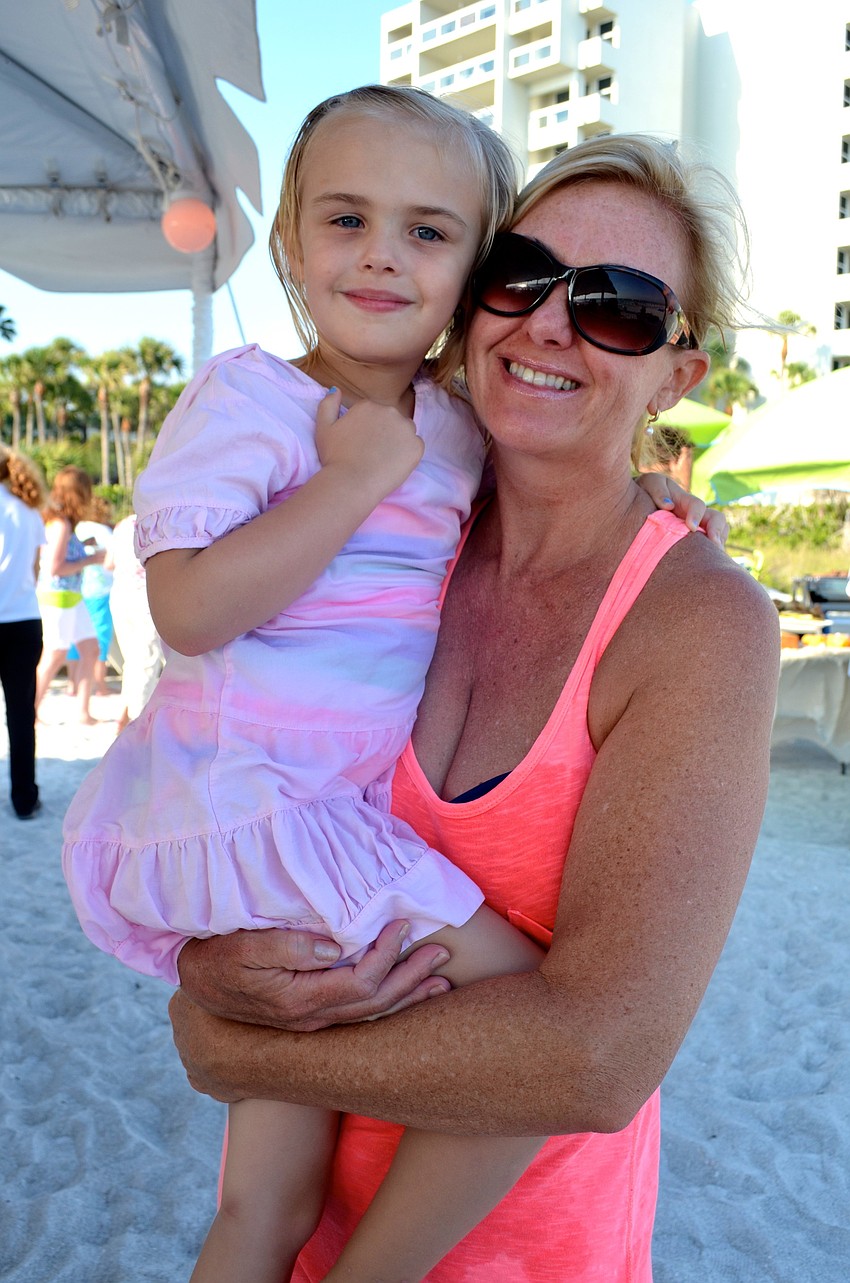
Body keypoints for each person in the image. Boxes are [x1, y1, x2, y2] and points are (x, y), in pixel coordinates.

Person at [63, 91, 725, 1283]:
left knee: (269, 1192)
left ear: (679, 371)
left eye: (619, 309)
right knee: (255, 1211)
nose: (551, 324)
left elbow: (589, 1058)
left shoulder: (680, 605)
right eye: (524, 274)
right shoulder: (377, 459)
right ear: (482, 300)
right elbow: (200, 608)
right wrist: (219, 986)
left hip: (525, 1248)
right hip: (275, 848)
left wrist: (239, 1044)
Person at [35, 466, 105, 725]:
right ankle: (31, 711)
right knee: (54, 655)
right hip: (58, 597)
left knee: (90, 649)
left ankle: (83, 712)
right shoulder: (61, 524)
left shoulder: (60, 521)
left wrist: (82, 550)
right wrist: (91, 559)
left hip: (69, 597)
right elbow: (55, 568)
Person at [0, 445, 46, 819]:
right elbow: (35, 569)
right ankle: (24, 798)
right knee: (20, 714)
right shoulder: (29, 509)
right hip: (25, 620)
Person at [105, 510, 164, 731]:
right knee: (146, 663)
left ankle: (124, 719)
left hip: (120, 594)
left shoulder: (122, 524)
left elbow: (108, 564)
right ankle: (135, 725)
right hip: (143, 598)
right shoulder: (157, 521)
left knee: (133, 661)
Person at [66, 495, 116, 699]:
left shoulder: (77, 527)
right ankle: (100, 685)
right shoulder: (103, 530)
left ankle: (72, 684)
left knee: (73, 638)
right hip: (100, 591)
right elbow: (111, 562)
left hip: (78, 589)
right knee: (100, 637)